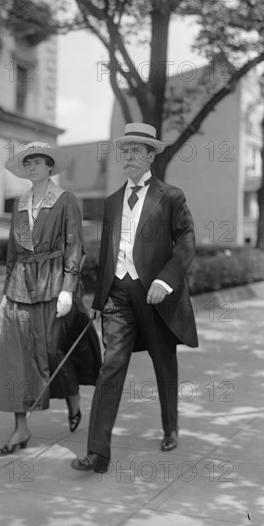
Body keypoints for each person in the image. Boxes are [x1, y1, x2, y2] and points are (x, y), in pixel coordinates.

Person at [71, 123, 199, 473]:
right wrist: (98, 302)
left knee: (163, 362)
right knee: (111, 366)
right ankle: (97, 453)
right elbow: (108, 254)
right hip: (117, 295)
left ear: (150, 155)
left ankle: (170, 426)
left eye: (134, 151)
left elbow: (186, 241)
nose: (127, 157)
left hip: (155, 294)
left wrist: (168, 280)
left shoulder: (171, 196)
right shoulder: (112, 202)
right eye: (124, 151)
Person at [0, 141, 101, 456]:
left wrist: (68, 287)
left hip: (54, 284)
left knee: (53, 351)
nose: (33, 166)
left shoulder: (66, 200)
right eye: (28, 163)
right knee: (16, 358)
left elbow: (75, 246)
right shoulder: (19, 203)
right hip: (19, 287)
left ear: (50, 166)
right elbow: (13, 252)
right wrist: (4, 293)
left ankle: (72, 398)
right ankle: (20, 428)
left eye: (39, 161)